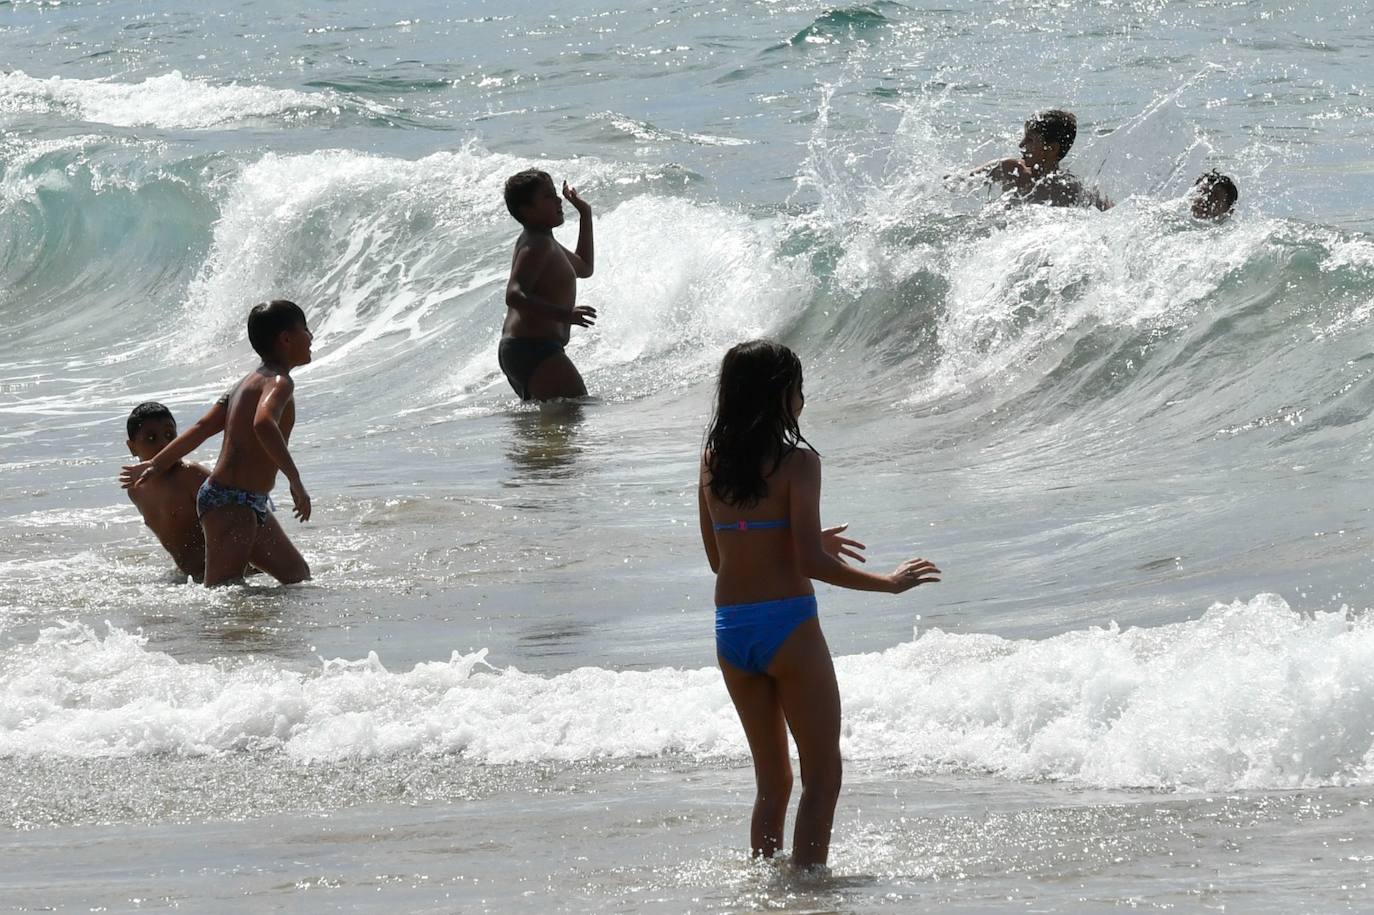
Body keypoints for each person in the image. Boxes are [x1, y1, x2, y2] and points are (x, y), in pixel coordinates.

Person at [698, 340, 941, 870]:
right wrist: (889, 582)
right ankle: (807, 893)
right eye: (799, 387)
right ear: (782, 395)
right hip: (787, 626)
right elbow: (809, 562)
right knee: (822, 775)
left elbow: (721, 557)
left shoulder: (712, 462)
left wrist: (781, 541)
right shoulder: (798, 462)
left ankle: (767, 890)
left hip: (731, 631)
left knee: (773, 782)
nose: (803, 398)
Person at [121, 300, 313, 587]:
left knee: (297, 577)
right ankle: (206, 633)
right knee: (223, 595)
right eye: (306, 330)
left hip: (243, 499)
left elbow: (201, 427)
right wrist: (295, 480)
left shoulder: (242, 385)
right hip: (231, 499)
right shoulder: (279, 382)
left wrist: (155, 463)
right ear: (286, 339)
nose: (311, 337)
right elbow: (263, 423)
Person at [499, 169, 597, 401]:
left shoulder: (546, 241)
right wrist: (565, 314)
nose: (558, 200)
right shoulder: (535, 245)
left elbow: (584, 267)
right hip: (531, 349)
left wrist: (585, 213)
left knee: (551, 428)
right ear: (527, 210)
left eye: (556, 193)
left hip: (525, 350)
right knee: (574, 410)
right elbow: (514, 295)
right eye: (548, 196)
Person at [971, 109, 1111, 210]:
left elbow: (1112, 214)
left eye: (1030, 140)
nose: (1021, 145)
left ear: (1051, 149)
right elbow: (961, 181)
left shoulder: (1071, 189)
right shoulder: (1010, 170)